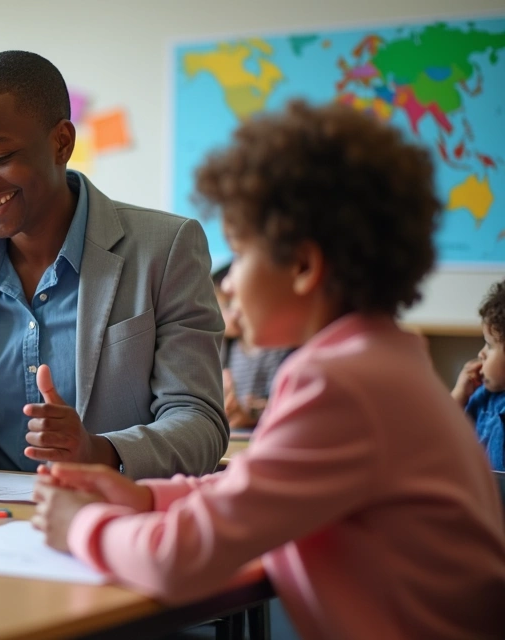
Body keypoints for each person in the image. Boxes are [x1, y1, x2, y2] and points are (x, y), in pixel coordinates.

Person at [32, 100, 505, 640]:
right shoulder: (385, 360)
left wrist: (80, 526)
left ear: (303, 266)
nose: (227, 285)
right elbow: (250, 490)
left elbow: (178, 559)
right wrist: (143, 497)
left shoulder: (341, 385)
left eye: (240, 253)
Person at [0, 51, 226, 477]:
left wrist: (99, 451)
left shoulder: (164, 248)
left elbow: (201, 425)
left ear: (61, 142)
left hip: (107, 521)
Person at [212, 263, 292, 429]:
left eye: (228, 304)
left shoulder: (276, 349)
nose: (232, 312)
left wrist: (253, 412)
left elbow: (283, 404)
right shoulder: (227, 348)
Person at [453, 278, 505, 471]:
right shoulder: (481, 395)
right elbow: (440, 434)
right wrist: (459, 395)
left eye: (490, 346)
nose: (481, 354)